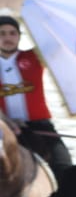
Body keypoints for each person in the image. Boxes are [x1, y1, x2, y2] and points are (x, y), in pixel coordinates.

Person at [0, 14, 72, 179]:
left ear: (19, 36)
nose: (7, 38)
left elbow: (59, 41)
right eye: (2, 33)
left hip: (40, 126)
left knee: (64, 166)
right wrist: (6, 121)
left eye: (12, 33)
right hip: (5, 129)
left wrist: (43, 13)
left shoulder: (34, 56)